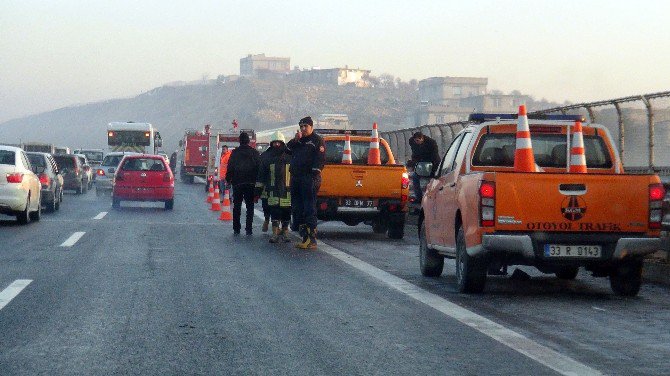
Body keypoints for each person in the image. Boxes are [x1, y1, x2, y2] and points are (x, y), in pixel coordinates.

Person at [286, 116, 325, 250]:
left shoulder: (316, 140)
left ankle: (311, 239)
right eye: (301, 126)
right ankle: (304, 237)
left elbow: (320, 160)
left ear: (311, 127)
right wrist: (295, 140)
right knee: (297, 208)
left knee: (309, 208)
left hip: (309, 178)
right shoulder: (299, 141)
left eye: (306, 126)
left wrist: (312, 176)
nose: (303, 129)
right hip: (296, 177)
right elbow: (287, 150)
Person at [256, 131, 292, 243]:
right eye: (274, 142)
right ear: (271, 143)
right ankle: (275, 233)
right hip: (272, 191)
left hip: (287, 191)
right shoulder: (266, 157)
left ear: (283, 143)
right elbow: (261, 175)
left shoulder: (290, 156)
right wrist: (257, 191)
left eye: (279, 142)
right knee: (275, 212)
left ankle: (285, 232)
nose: (277, 145)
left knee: (286, 213)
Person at [225, 132, 260, 235]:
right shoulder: (254, 153)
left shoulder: (235, 153)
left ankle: (236, 228)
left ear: (239, 141)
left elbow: (230, 167)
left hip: (238, 183)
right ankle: (249, 228)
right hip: (250, 183)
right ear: (248, 141)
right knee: (250, 206)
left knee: (237, 206)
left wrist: (228, 180)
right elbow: (259, 168)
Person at [408, 131, 440, 203]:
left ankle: (432, 198)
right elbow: (415, 155)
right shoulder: (412, 142)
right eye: (415, 141)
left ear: (422, 139)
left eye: (418, 141)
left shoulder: (431, 143)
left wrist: (431, 168)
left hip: (432, 163)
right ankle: (419, 198)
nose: (416, 142)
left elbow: (434, 156)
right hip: (421, 163)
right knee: (415, 177)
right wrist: (414, 164)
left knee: (432, 181)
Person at [257, 143, 273, 232]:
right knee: (272, 206)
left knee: (267, 205)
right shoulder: (284, 155)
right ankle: (268, 221)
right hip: (271, 186)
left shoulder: (264, 155)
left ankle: (267, 220)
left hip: (267, 186)